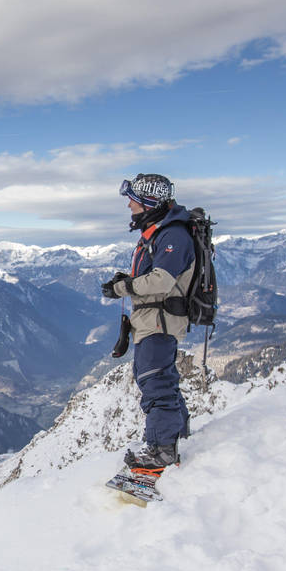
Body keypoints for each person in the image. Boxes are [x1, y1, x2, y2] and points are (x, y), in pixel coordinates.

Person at [101, 173, 194, 473]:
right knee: (155, 376)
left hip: (160, 321)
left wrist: (122, 288)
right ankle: (177, 434)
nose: (129, 205)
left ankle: (162, 450)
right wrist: (127, 282)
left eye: (134, 200)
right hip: (151, 320)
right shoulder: (159, 232)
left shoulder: (173, 236)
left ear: (149, 203)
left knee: (155, 381)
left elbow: (162, 279)